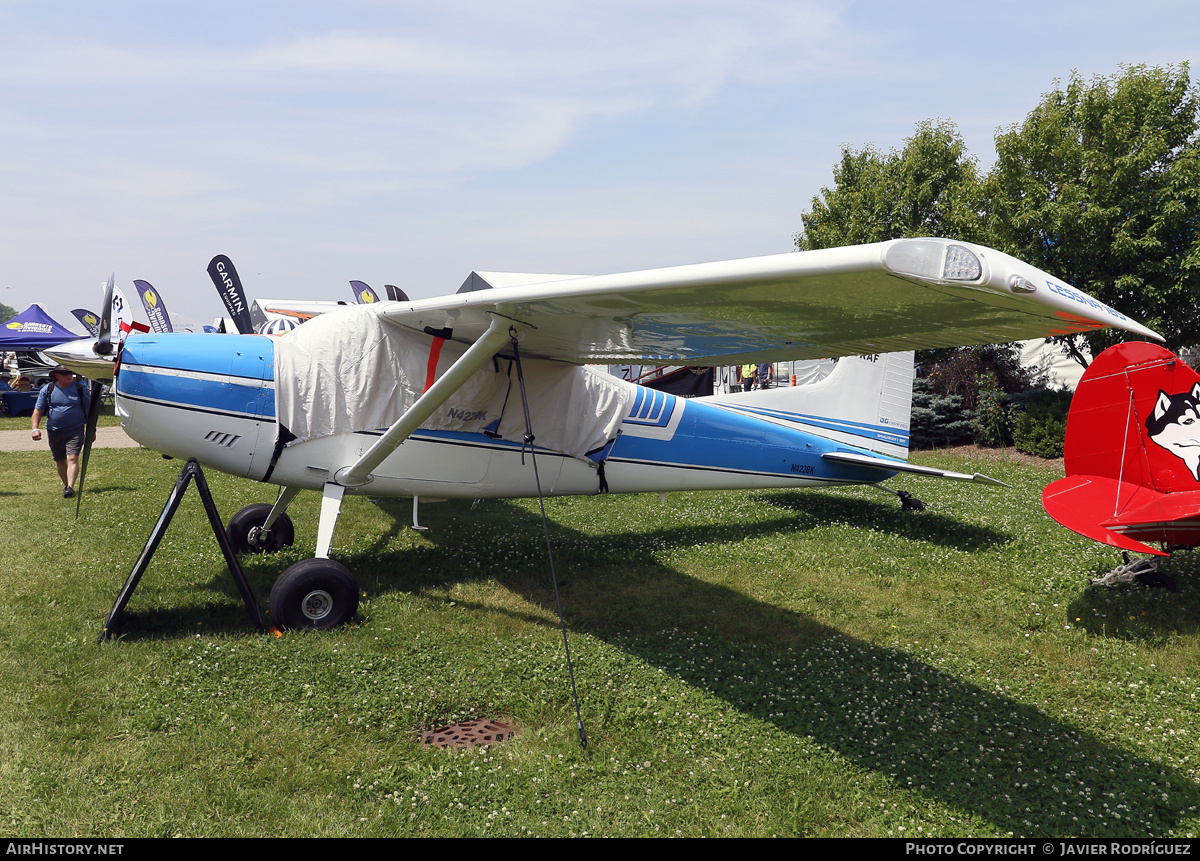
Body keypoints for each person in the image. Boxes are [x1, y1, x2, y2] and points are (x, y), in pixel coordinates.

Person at [30, 366, 91, 498]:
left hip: (75, 429)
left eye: (70, 372)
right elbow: (37, 411)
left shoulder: (79, 389)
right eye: (64, 373)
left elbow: (88, 411)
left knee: (72, 457)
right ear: (56, 375)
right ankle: (66, 485)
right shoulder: (47, 390)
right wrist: (35, 428)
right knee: (60, 460)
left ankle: (70, 487)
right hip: (54, 430)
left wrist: (93, 429)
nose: (69, 376)